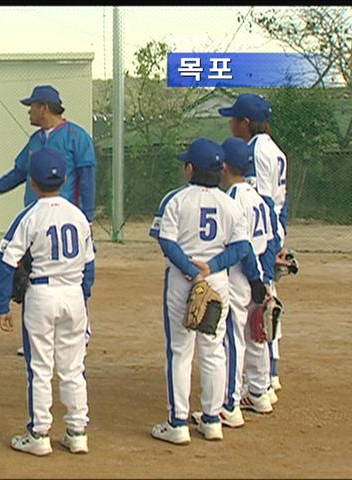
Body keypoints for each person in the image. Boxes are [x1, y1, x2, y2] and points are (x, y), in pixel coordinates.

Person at [148, 138, 259, 444]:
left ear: (190, 169)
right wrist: (211, 266)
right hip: (217, 281)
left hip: (183, 281)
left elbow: (166, 241)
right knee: (213, 351)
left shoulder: (176, 199)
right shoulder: (229, 203)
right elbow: (241, 247)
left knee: (180, 352)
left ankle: (178, 424)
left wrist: (191, 268)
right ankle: (212, 420)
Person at [0, 85, 96, 355]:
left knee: (71, 275)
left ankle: (80, 328)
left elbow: (87, 180)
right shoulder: (35, 141)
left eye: (32, 106)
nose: (29, 110)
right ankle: (36, 333)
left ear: (44, 107)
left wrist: (87, 218)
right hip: (36, 219)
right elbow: (18, 174)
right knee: (30, 274)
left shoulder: (77, 137)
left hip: (67, 219)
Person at [0, 147, 95, 456]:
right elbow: (89, 265)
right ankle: (77, 432)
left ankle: (38, 435)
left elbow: (6, 262)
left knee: (39, 368)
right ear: (64, 179)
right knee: (72, 367)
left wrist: (3, 304)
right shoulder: (78, 216)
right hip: (73, 293)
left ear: (32, 183)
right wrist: (84, 298)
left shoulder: (29, 216)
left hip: (42, 294)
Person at [189, 138, 274, 428]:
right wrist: (265, 277)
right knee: (257, 334)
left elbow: (243, 247)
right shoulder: (259, 197)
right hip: (261, 272)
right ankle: (260, 390)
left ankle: (229, 405)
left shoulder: (234, 198)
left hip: (241, 276)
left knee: (233, 340)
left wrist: (252, 278)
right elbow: (272, 241)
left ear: (224, 166)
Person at [218, 93, 288, 395]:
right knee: (263, 312)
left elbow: (261, 201)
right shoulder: (275, 149)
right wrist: (279, 239)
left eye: (234, 119)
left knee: (244, 324)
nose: (231, 124)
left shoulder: (254, 152)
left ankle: (238, 396)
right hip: (268, 235)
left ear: (245, 123)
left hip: (253, 242)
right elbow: (276, 207)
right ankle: (264, 383)